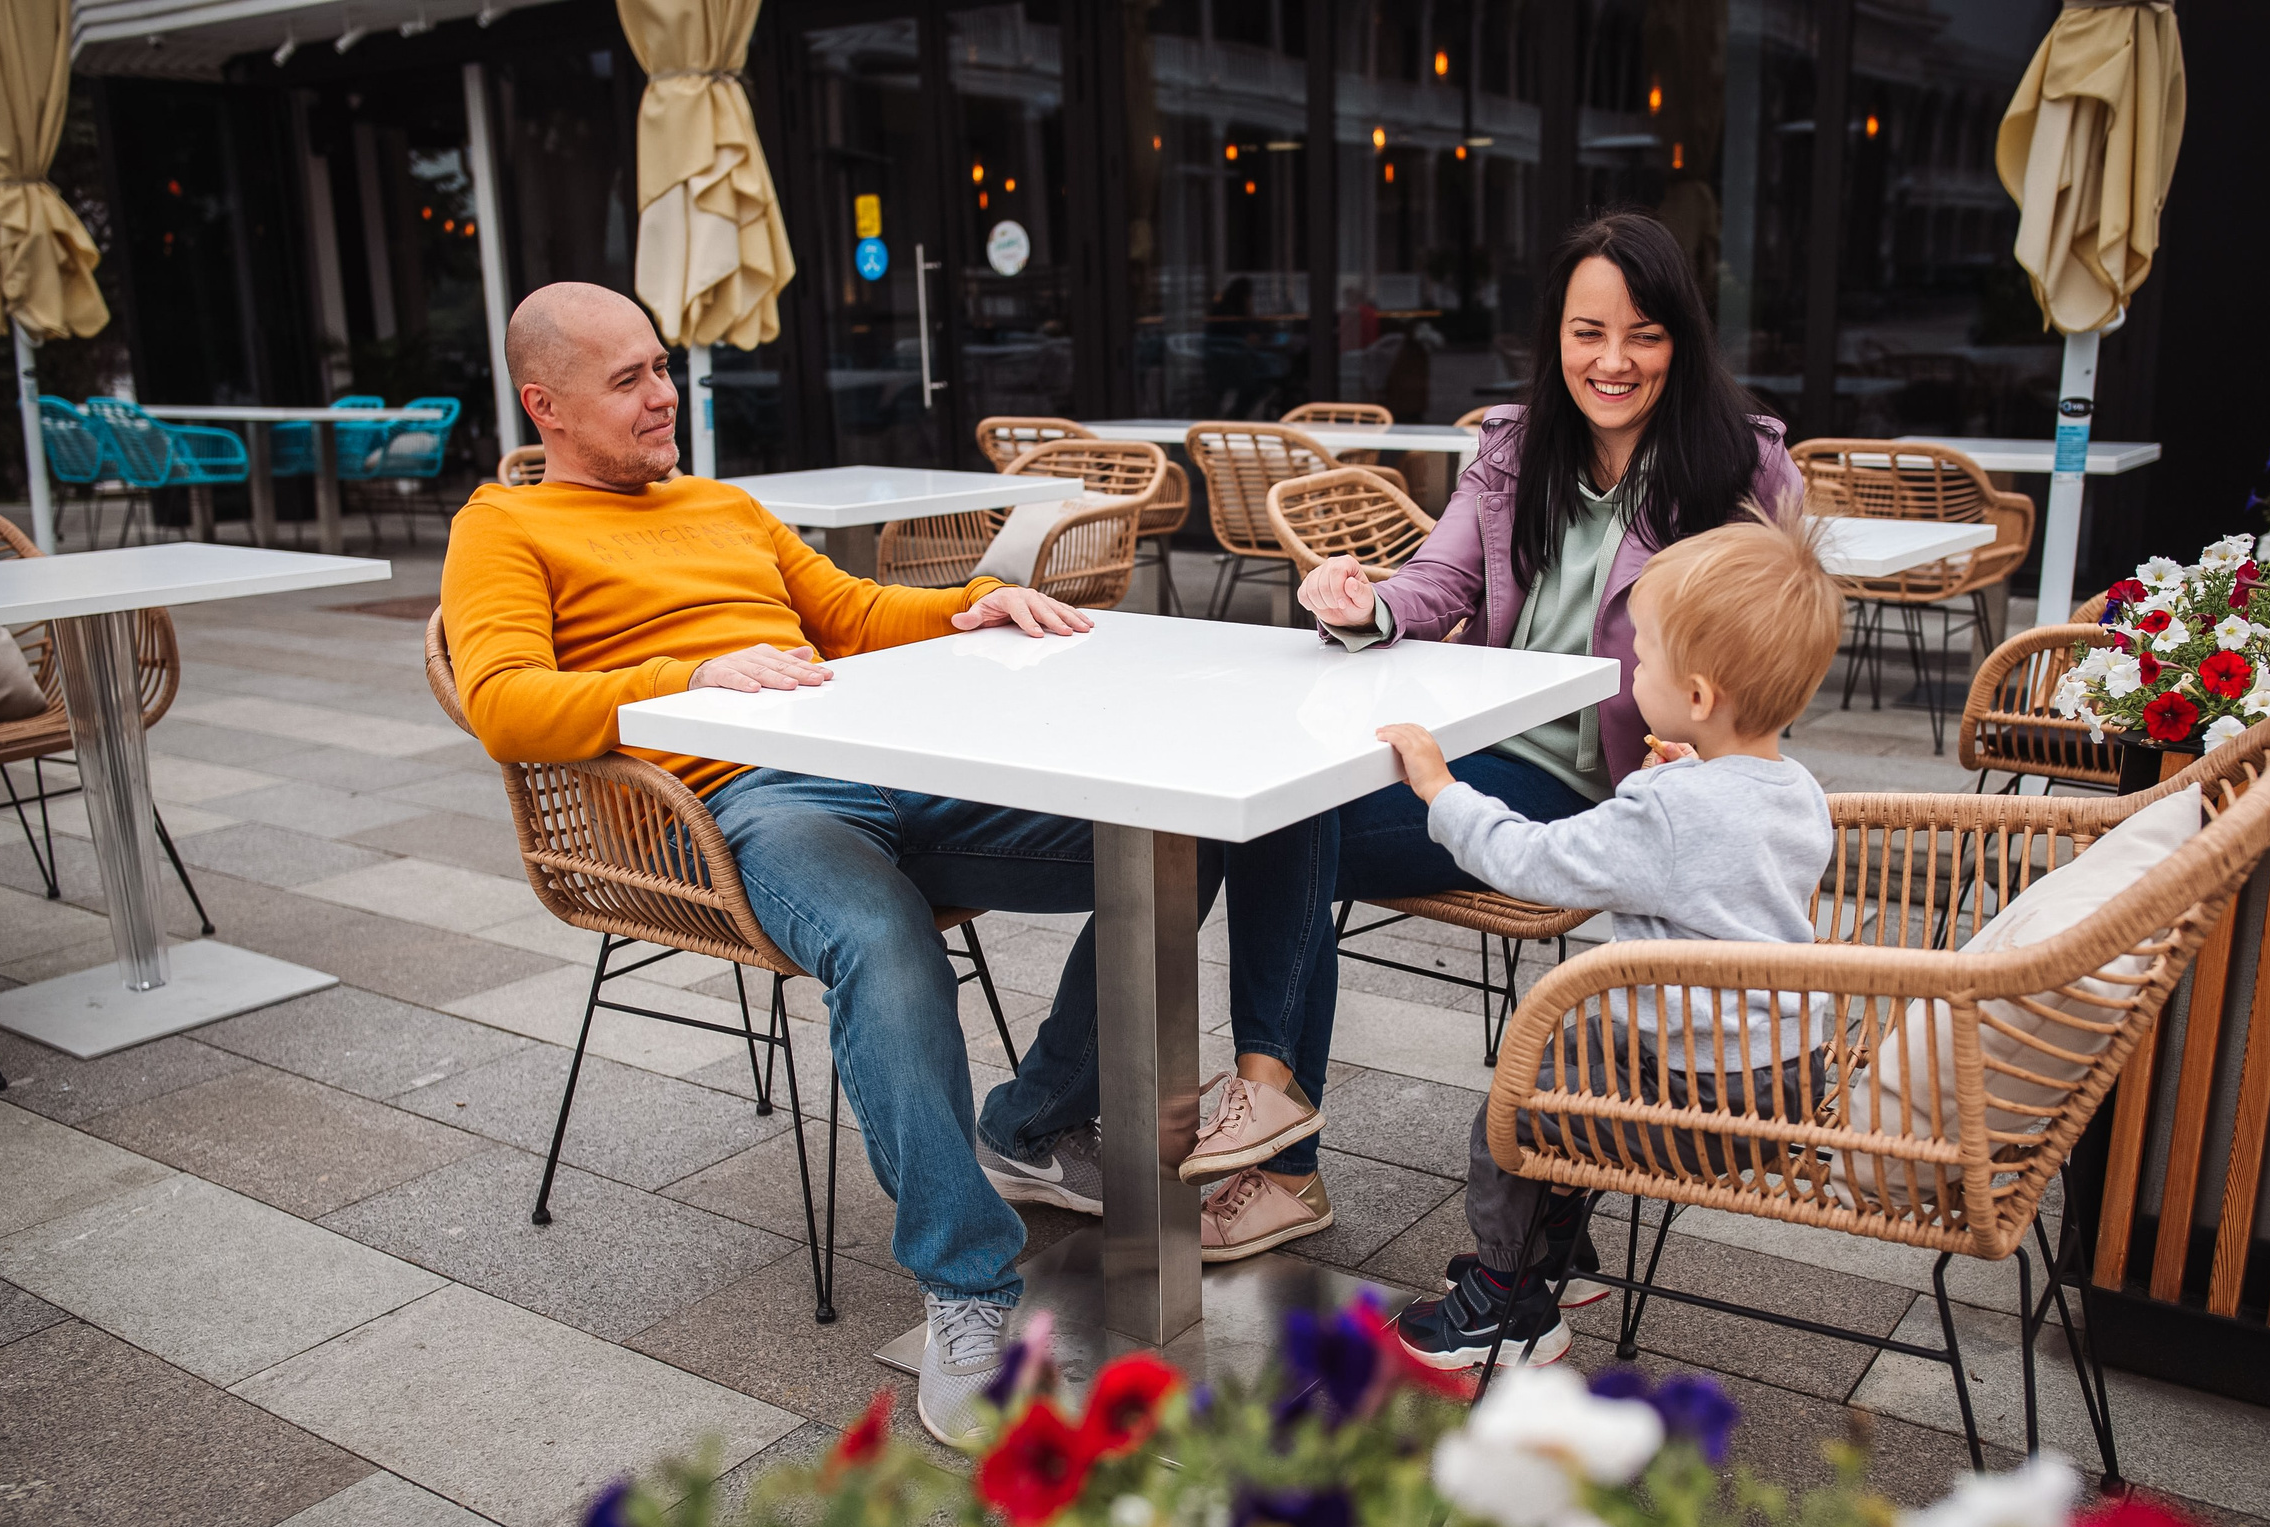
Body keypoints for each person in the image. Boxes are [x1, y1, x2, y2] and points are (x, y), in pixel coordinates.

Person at [439, 283, 1333, 1442]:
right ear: (543, 404)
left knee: (1183, 823)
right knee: (883, 942)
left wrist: (979, 603)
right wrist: (684, 682)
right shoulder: (502, 528)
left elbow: (850, 613)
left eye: (661, 368)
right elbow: (503, 704)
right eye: (629, 382)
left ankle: (1030, 1122)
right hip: (728, 807)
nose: (663, 397)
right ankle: (967, 1292)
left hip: (880, 765)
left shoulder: (722, 506)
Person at [1194, 209, 1804, 1265]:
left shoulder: (1741, 468)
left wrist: (1706, 757)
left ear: (1682, 338)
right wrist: (1360, 602)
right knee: (1280, 810)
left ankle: (1277, 1153)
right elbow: (1441, 584)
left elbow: (1776, 653)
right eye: (1587, 332)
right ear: (1554, 335)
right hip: (1493, 756)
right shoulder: (1512, 449)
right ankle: (1275, 1130)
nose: (1612, 361)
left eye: (1643, 334)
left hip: (1625, 795)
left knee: (1288, 824)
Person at [1378, 505, 1844, 1368]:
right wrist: (1692, 778)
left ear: (1697, 696)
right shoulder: (1796, 787)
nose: (1632, 667)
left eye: (1648, 654)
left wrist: (1440, 788)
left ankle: (1505, 1297)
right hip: (1785, 1070)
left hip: (1697, 1099)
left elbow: (1531, 861)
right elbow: (1723, 850)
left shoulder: (1667, 805)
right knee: (1575, 1042)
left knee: (1513, 1110)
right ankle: (1560, 1250)